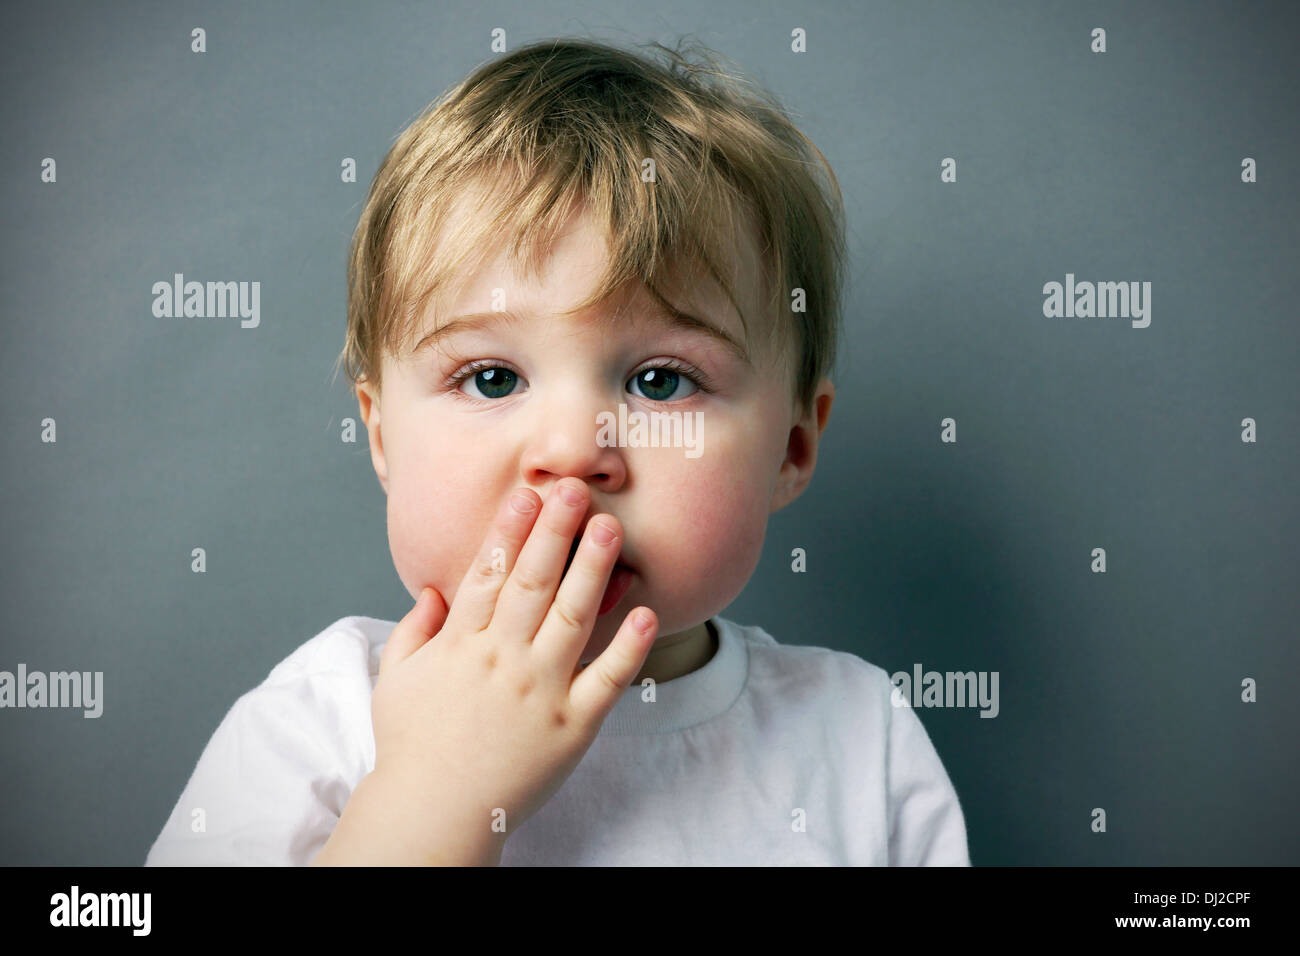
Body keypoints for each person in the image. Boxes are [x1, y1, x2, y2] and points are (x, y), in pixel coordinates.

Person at [146, 36, 970, 866]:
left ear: (791, 447)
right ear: (383, 435)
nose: (576, 451)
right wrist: (436, 790)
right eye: (493, 379)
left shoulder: (862, 739)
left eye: (660, 383)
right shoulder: (318, 722)